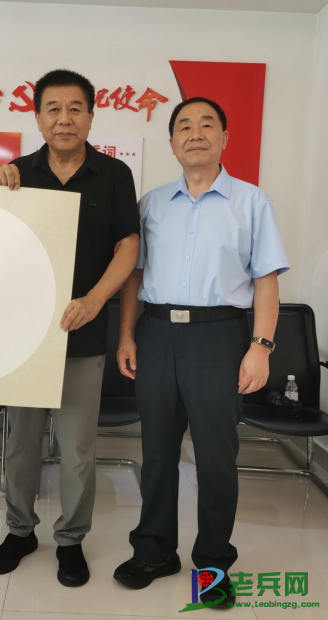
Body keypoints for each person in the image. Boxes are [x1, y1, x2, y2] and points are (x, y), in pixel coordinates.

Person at [113, 97, 289, 607]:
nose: (195, 133)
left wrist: (261, 347)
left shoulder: (251, 202)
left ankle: (212, 565)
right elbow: (135, 277)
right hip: (156, 332)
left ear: (224, 138)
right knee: (156, 452)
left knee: (215, 457)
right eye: (184, 126)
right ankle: (154, 550)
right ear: (171, 142)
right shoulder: (151, 203)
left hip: (220, 336)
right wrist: (127, 336)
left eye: (207, 124)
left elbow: (266, 280)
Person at [0, 69, 140, 587]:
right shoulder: (16, 173)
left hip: (85, 331)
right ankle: (19, 530)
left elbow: (128, 247)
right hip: (24, 337)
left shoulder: (113, 175)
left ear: (91, 116)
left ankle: (71, 539)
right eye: (53, 109)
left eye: (75, 108)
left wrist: (95, 300)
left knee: (76, 448)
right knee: (21, 443)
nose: (64, 119)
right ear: (38, 118)